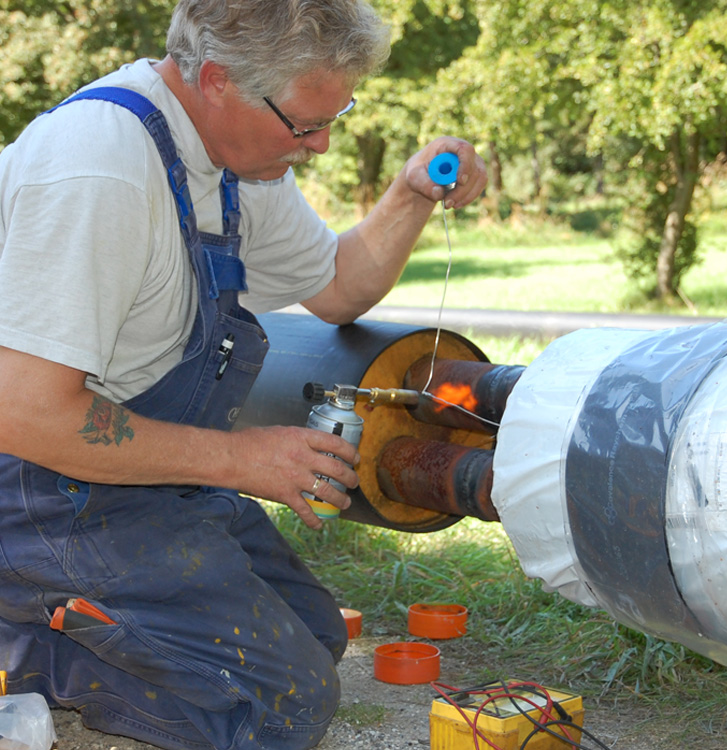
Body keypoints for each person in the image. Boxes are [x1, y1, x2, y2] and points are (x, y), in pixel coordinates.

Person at [0, 1, 487, 748]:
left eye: (337, 116)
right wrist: (237, 459)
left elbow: (339, 284)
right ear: (219, 80)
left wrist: (413, 191)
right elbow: (28, 414)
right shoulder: (100, 171)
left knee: (317, 639)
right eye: (303, 125)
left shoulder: (231, 166)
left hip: (127, 481)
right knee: (276, 707)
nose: (321, 145)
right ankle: (24, 646)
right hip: (34, 491)